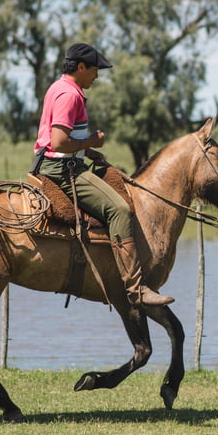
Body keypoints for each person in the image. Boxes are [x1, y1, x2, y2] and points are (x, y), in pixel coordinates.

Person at [33, 43, 173, 307]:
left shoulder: (58, 86)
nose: (97, 75)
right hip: (62, 169)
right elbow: (60, 142)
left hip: (65, 162)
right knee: (120, 208)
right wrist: (91, 143)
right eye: (95, 69)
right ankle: (135, 288)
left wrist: (87, 153)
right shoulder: (70, 95)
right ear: (82, 67)